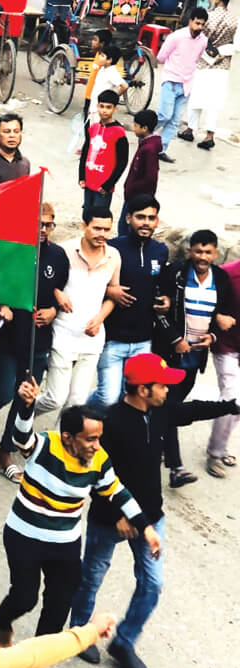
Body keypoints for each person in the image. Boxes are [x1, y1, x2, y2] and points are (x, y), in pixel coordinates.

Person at [71, 352, 237, 668]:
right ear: (143, 389)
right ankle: (80, 633)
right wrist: (115, 515)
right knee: (92, 576)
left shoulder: (161, 411)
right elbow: (93, 473)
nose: (168, 390)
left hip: (151, 517)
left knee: (153, 583)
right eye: (162, 385)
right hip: (110, 519)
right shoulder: (110, 422)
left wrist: (232, 406)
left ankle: (123, 643)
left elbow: (193, 410)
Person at [0, 375, 152, 668]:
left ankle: (36, 666)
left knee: (60, 603)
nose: (96, 445)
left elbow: (116, 491)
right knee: (25, 597)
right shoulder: (45, 445)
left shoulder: (99, 460)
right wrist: (26, 406)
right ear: (68, 437)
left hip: (64, 542)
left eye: (98, 438)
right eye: (90, 439)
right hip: (24, 534)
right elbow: (21, 438)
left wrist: (145, 527)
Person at [0, 203, 68, 483]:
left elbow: (60, 291)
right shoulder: (9, 252)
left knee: (24, 397)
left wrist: (53, 310)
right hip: (8, 339)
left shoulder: (58, 256)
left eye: (49, 224)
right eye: (39, 224)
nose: (43, 229)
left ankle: (4, 453)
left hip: (38, 342)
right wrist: (2, 305)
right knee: (3, 393)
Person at [154, 228, 238, 486]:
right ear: (190, 251)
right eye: (198, 251)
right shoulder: (175, 273)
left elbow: (220, 316)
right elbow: (158, 310)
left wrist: (212, 336)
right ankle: (176, 467)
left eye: (208, 252)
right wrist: (175, 340)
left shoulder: (221, 278)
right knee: (170, 406)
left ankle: (155, 438)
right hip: (169, 354)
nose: (202, 256)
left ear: (215, 253)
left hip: (194, 359)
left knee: (171, 406)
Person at [33, 207, 120, 420]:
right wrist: (57, 293)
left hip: (92, 338)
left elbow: (113, 295)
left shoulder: (114, 256)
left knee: (76, 403)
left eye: (106, 229)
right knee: (54, 398)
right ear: (84, 226)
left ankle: (63, 439)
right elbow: (43, 281)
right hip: (63, 333)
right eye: (97, 228)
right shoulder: (64, 251)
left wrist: (100, 318)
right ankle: (22, 416)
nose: (102, 234)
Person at [88, 195, 168, 409]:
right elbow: (88, 281)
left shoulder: (161, 251)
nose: (146, 223)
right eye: (140, 217)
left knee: (131, 399)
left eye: (151, 218)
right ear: (128, 218)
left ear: (157, 221)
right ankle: (78, 418)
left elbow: (162, 284)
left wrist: (167, 298)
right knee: (108, 398)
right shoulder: (111, 248)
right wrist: (109, 290)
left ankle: (108, 430)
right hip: (112, 339)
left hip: (144, 340)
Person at [183, 0, 237, 151]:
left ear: (219, 0)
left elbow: (196, 36)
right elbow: (237, 46)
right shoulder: (235, 20)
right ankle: (209, 135)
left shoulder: (208, 17)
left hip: (203, 62)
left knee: (196, 97)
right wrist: (221, 51)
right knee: (214, 101)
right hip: (222, 65)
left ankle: (190, 129)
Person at [155, 8, 208, 162]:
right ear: (190, 21)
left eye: (202, 24)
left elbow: (197, 58)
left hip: (186, 85)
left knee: (175, 121)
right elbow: (161, 57)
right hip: (171, 81)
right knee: (164, 115)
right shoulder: (176, 37)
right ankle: (145, 133)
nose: (199, 27)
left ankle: (161, 150)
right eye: (197, 23)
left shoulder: (203, 41)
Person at [207, 254, 240, 476]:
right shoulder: (227, 273)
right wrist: (217, 316)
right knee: (232, 398)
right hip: (227, 345)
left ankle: (221, 443)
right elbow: (204, 299)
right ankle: (215, 454)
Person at [78, 90, 128, 218]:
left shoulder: (119, 133)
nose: (104, 110)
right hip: (89, 182)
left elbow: (122, 162)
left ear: (115, 108)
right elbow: (85, 152)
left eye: (108, 107)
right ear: (97, 106)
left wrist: (108, 185)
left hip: (103, 187)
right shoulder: (93, 128)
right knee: (86, 215)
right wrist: (81, 176)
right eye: (101, 106)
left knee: (99, 218)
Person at [120, 110, 161, 231]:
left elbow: (150, 178)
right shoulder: (146, 144)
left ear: (144, 128)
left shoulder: (149, 149)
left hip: (137, 197)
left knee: (126, 228)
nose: (134, 128)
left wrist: (132, 187)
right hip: (134, 195)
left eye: (136, 126)